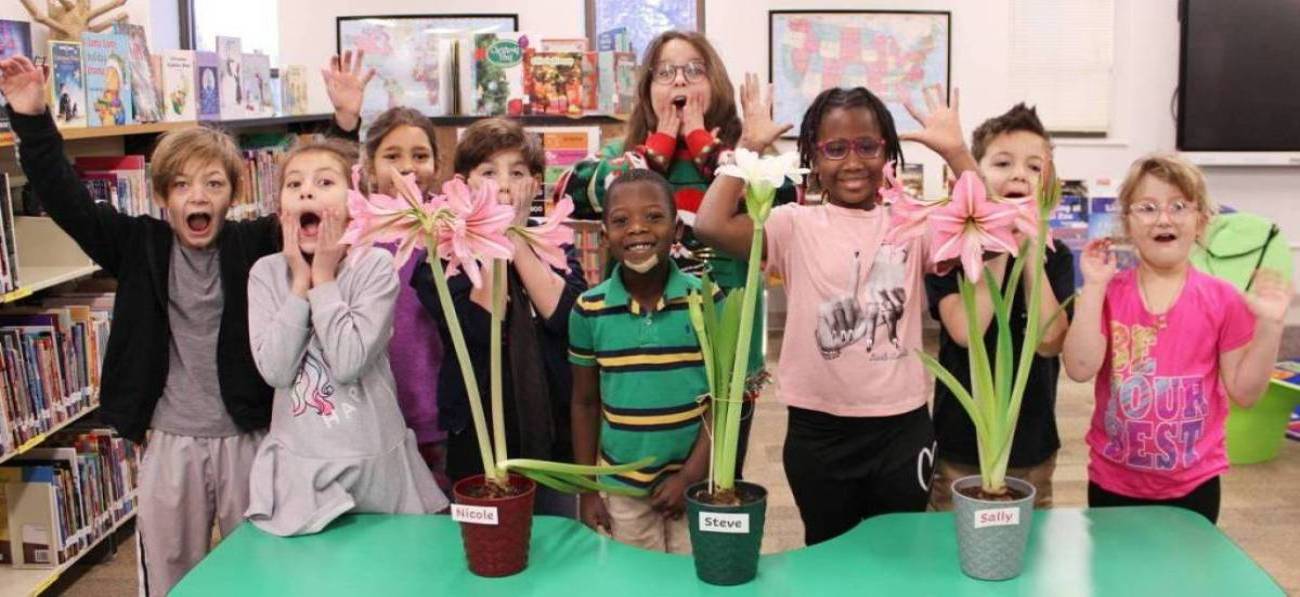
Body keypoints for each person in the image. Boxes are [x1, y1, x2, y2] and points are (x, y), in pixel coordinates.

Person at [1, 55, 277, 594]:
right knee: (171, 572)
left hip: (250, 435)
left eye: (213, 184)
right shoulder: (137, 245)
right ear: (161, 197)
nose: (197, 196)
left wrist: (344, 127)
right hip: (171, 440)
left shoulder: (256, 244)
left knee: (261, 570)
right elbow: (67, 200)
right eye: (180, 185)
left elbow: (316, 200)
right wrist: (31, 119)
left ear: (234, 195)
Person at [695, 83, 979, 545]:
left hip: (900, 427)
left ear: (887, 152)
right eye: (835, 148)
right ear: (813, 155)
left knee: (898, 550)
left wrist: (957, 152)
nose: (852, 162)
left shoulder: (912, 223)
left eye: (867, 146)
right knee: (826, 550)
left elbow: (986, 227)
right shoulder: (791, 224)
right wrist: (748, 146)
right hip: (818, 431)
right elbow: (710, 224)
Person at [1062, 153, 1291, 523]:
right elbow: (1079, 367)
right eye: (1147, 208)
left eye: (1179, 206)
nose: (1164, 218)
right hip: (1113, 481)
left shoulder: (1223, 299)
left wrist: (1271, 326)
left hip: (1194, 485)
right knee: (1119, 579)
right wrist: (1093, 286)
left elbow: (1246, 393)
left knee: (1186, 580)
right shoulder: (1109, 293)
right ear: (1128, 222)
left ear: (1201, 221)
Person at [245, 138, 448, 537]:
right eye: (295, 184)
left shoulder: (374, 265)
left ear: (356, 204)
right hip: (302, 470)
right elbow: (276, 370)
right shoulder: (265, 274)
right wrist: (299, 285)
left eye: (324, 183)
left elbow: (348, 360)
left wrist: (322, 277)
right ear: (280, 209)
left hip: (375, 465)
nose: (307, 190)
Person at [412, 118, 587, 517]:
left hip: (552, 436)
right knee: (488, 553)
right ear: (462, 184)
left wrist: (517, 237)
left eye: (518, 173)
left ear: (536, 183)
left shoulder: (553, 237)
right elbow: (479, 327)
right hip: (477, 441)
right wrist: (490, 238)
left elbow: (566, 317)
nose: (504, 185)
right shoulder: (439, 255)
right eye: (489, 173)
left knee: (556, 545)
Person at [926, 104, 1073, 510]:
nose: (1020, 175)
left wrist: (1029, 251)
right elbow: (963, 332)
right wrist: (995, 247)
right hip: (960, 444)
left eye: (1035, 167)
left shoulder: (1055, 256)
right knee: (951, 543)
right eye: (1003, 163)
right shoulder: (950, 250)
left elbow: (1049, 342)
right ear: (976, 177)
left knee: (1031, 547)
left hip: (1033, 445)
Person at [570, 169, 716, 553]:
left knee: (691, 577)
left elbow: (725, 399)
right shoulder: (589, 310)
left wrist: (691, 474)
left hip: (695, 484)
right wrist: (588, 491)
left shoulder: (707, 301)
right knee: (635, 580)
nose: (637, 229)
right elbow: (584, 403)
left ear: (678, 231)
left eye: (653, 216)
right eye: (621, 220)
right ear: (605, 237)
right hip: (622, 489)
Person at [320, 50, 449, 486]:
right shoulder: (358, 224)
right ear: (370, 167)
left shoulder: (449, 222)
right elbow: (323, 180)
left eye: (420, 155)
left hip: (439, 409)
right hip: (373, 409)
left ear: (436, 163)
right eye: (392, 156)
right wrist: (343, 122)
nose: (409, 167)